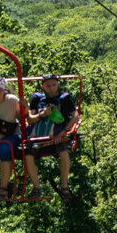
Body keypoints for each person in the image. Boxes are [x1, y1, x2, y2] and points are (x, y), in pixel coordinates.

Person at [24, 74, 78, 202]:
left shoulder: (65, 98)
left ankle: (64, 186)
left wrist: (63, 132)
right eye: (48, 86)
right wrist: (43, 114)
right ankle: (36, 187)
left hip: (58, 137)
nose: (52, 88)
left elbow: (75, 117)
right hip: (38, 137)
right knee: (27, 155)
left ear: (58, 84)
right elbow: (30, 119)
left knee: (64, 153)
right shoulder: (36, 98)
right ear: (42, 87)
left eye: (54, 85)